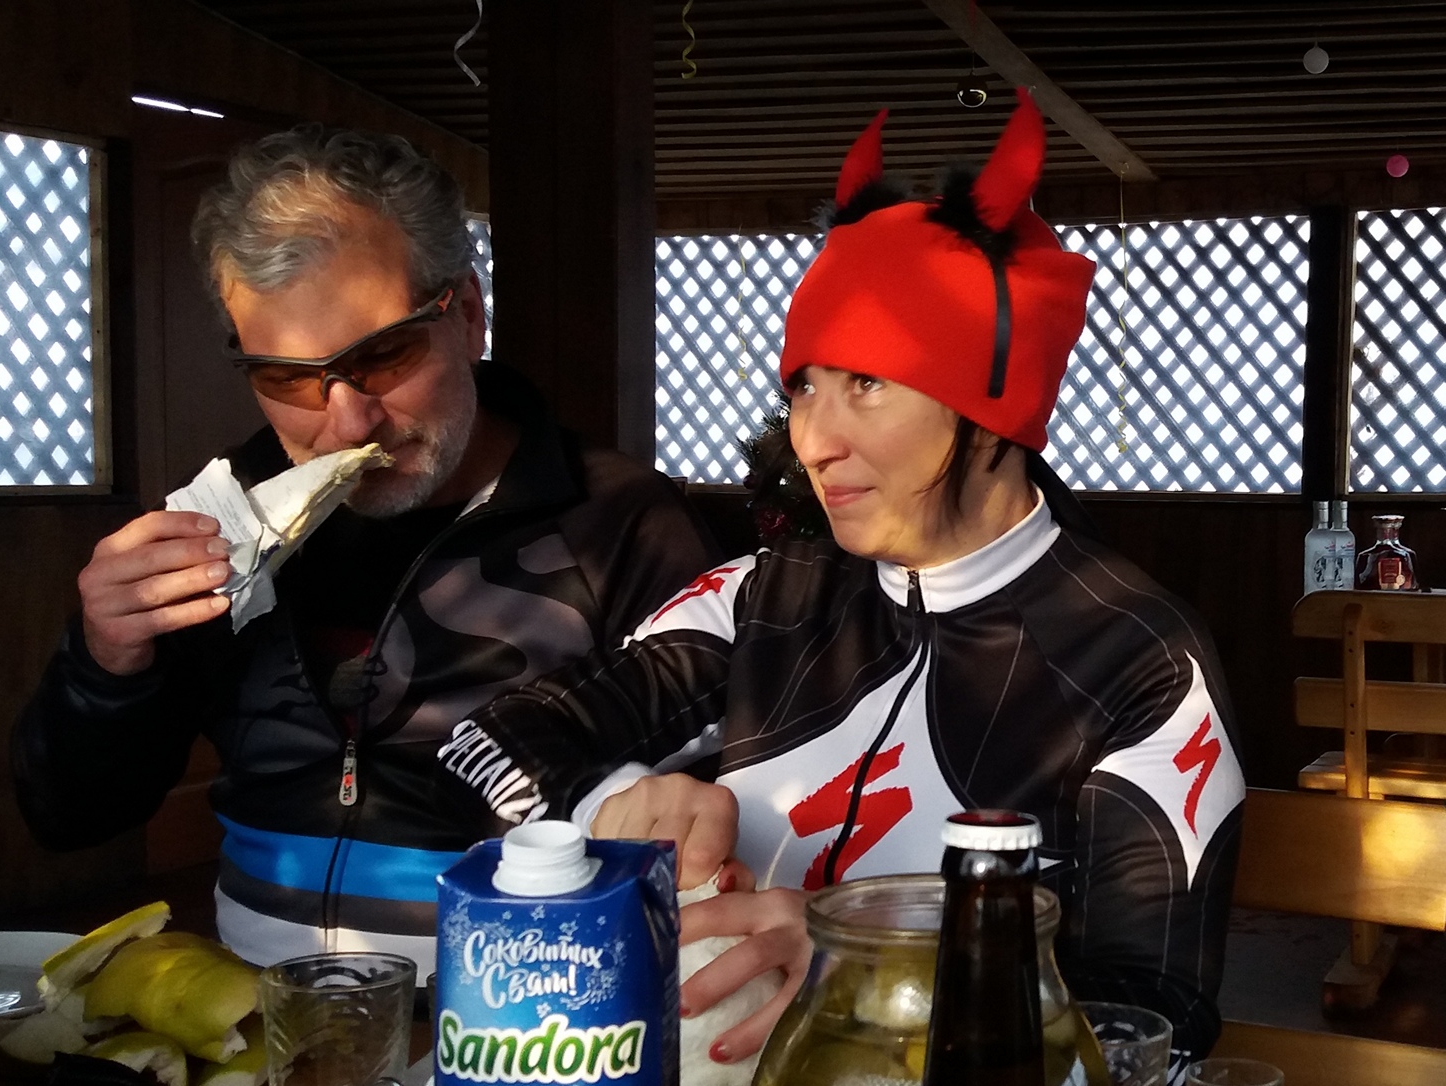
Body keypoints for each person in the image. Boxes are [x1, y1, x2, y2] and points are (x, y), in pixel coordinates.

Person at [439, 94, 1244, 1081]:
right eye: (803, 386)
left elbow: (1157, 1024)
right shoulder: (771, 596)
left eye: (866, 383)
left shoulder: (1138, 662)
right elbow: (493, 738)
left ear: (993, 410)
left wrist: (869, 962)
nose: (814, 441)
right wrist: (617, 803)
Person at [12, 126, 721, 975]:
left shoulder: (619, 522)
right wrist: (104, 663)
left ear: (467, 314)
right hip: (262, 1004)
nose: (348, 422)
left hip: (524, 1006)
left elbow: (722, 808)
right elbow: (72, 817)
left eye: (384, 355)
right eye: (286, 377)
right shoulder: (225, 522)